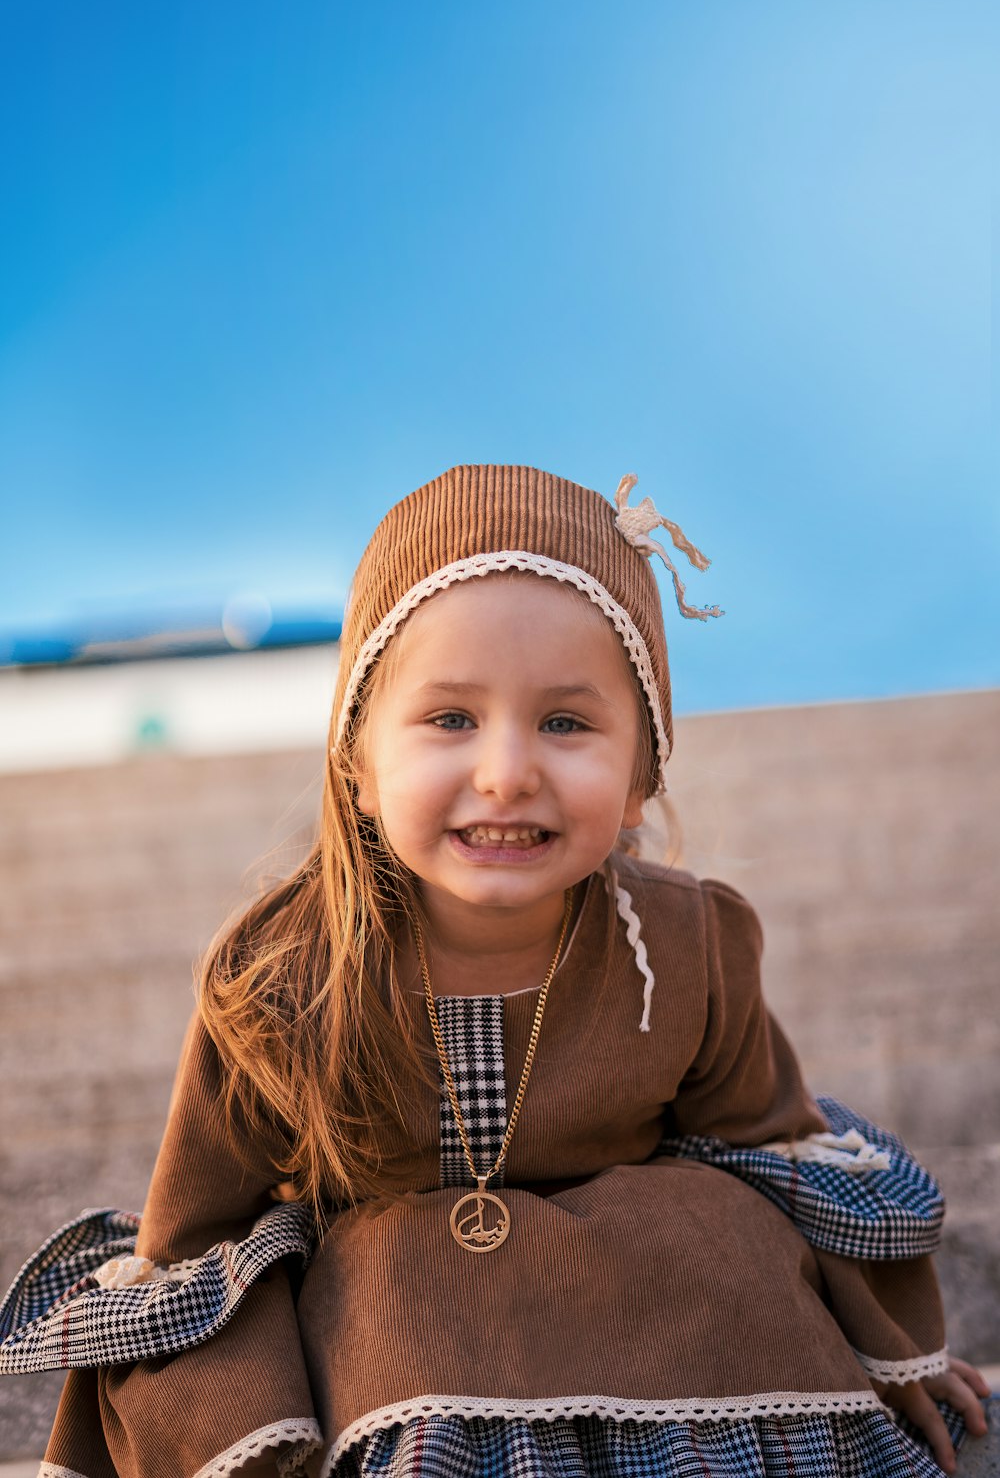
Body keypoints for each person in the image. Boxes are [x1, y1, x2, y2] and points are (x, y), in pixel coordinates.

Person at [1, 464, 991, 1478]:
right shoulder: (280, 977)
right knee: (381, 1273)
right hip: (398, 1335)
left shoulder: (687, 944)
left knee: (725, 1218)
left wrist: (885, 1348)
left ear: (644, 770)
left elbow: (776, 1142)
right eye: (450, 720)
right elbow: (195, 1235)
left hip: (637, 1291)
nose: (508, 770)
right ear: (358, 763)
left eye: (566, 722)